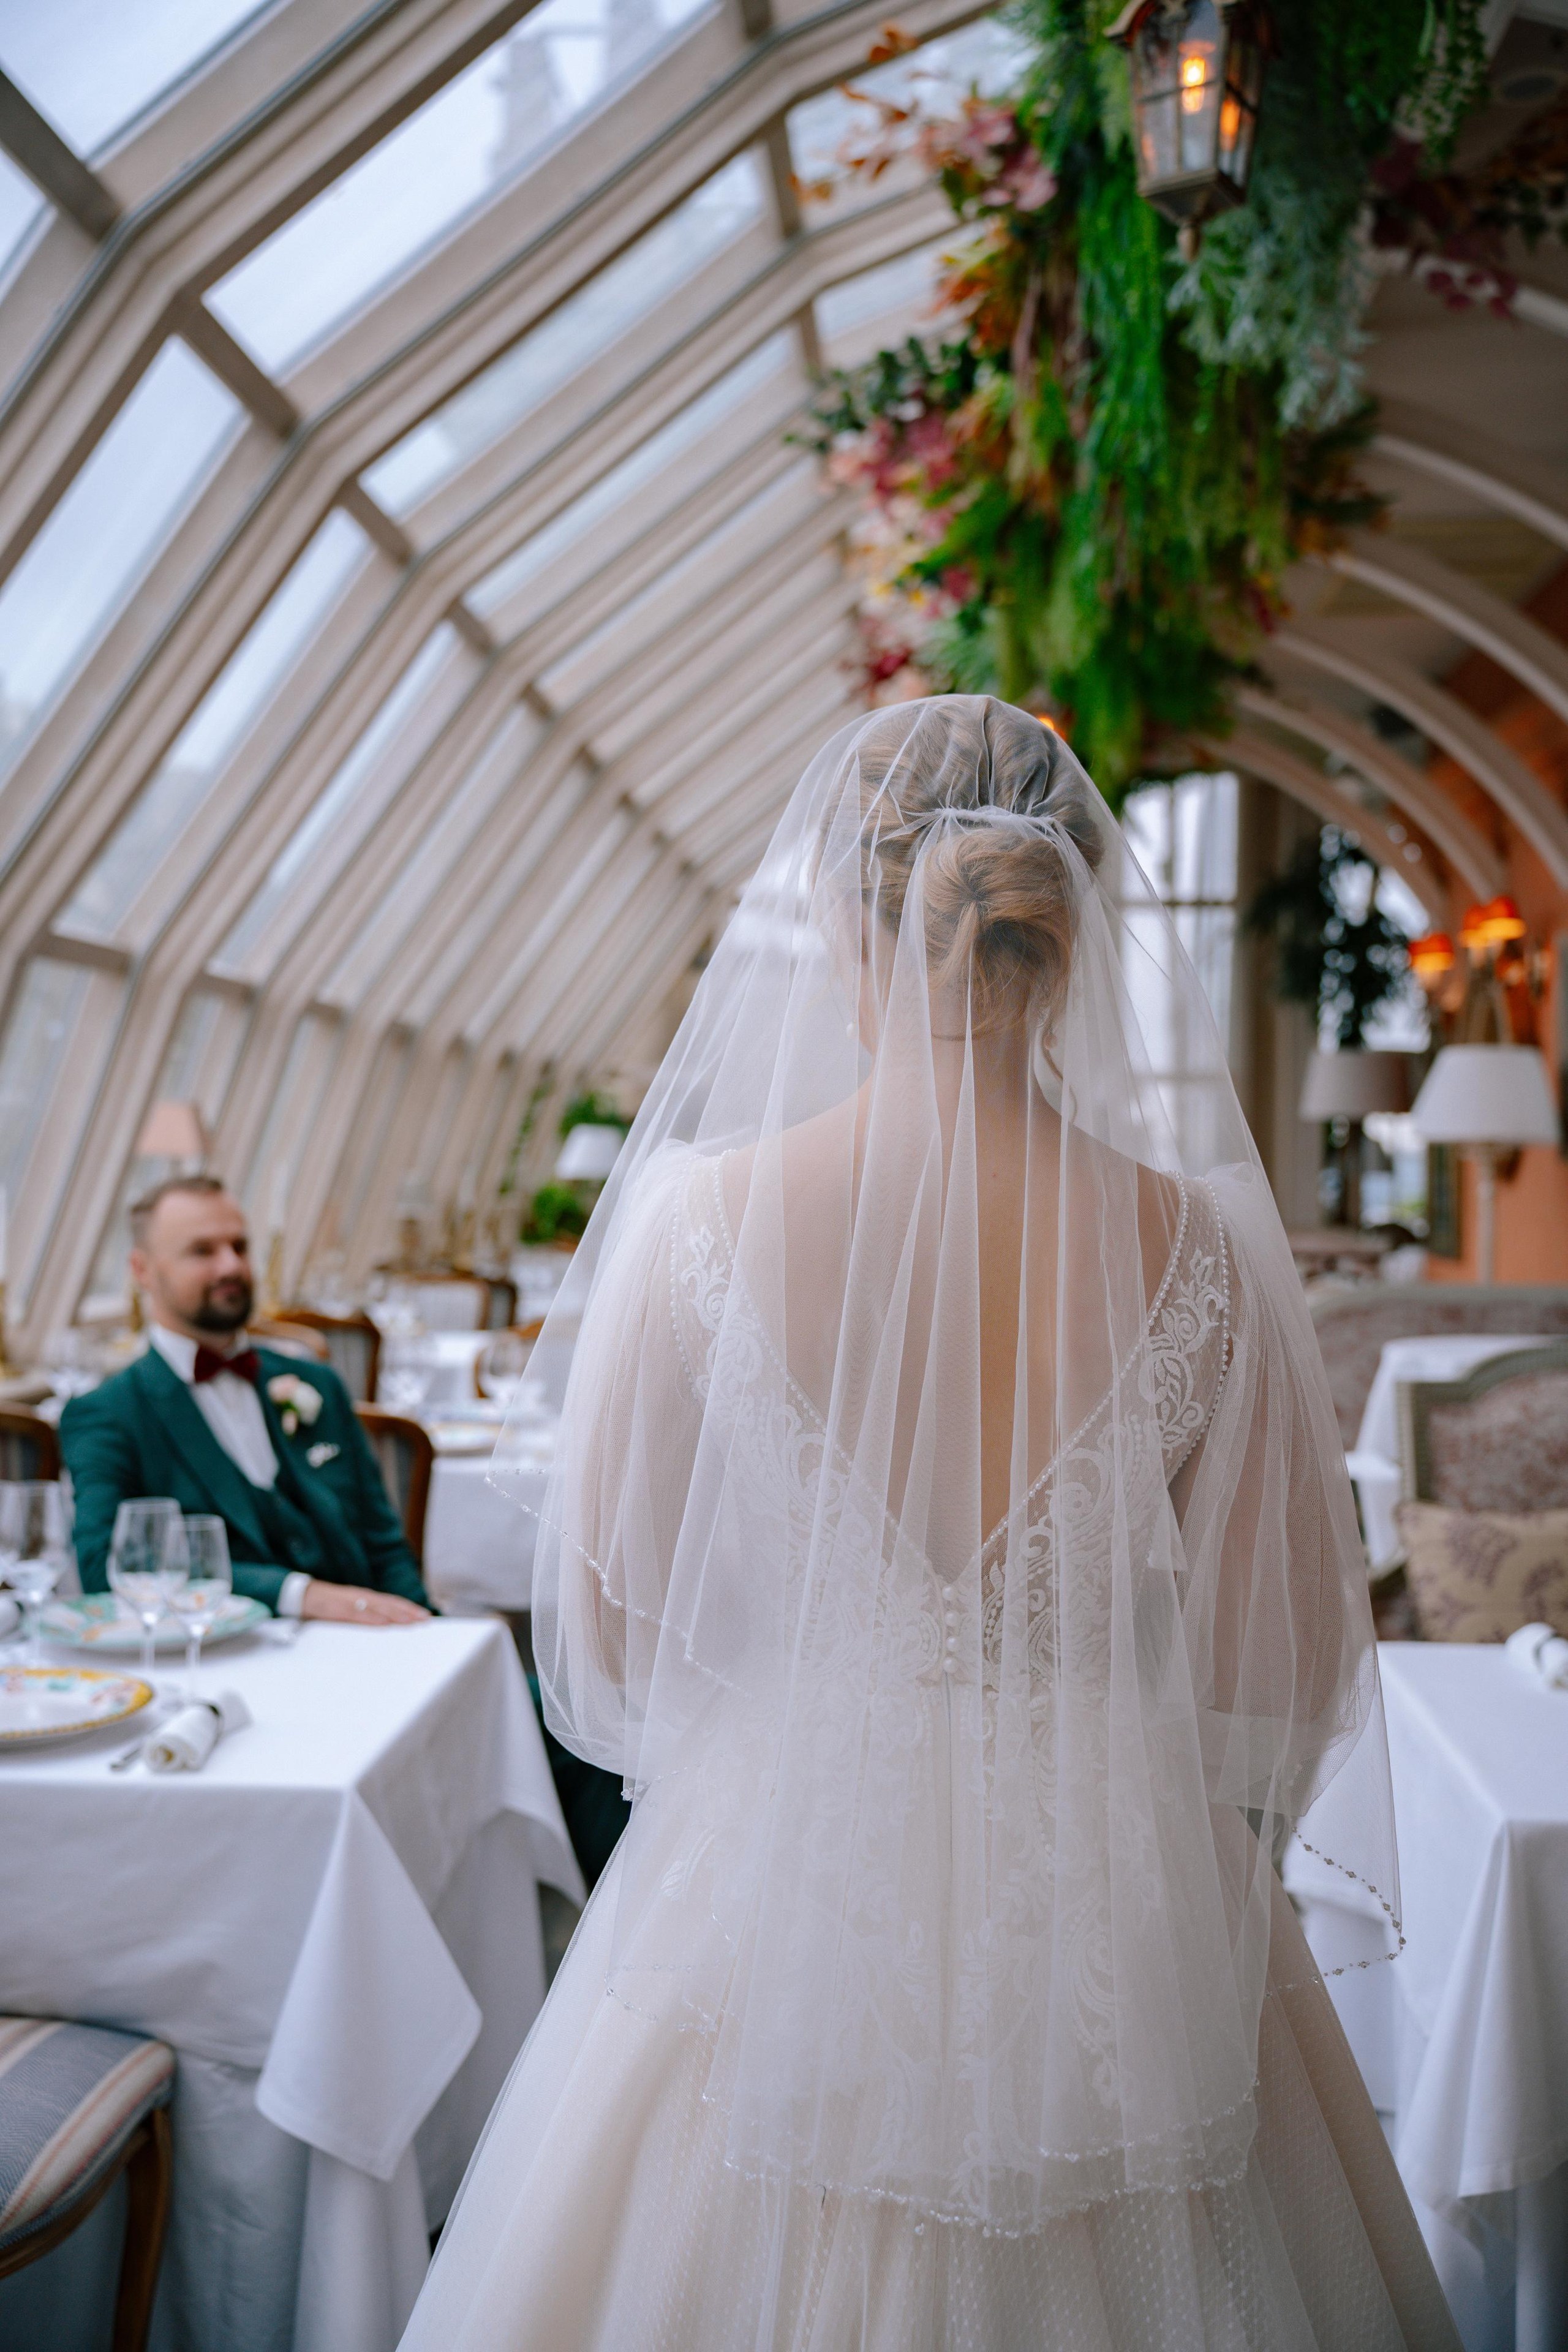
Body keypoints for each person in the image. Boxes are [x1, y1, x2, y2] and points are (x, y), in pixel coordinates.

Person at [401, 698, 1459, 2349]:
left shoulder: (691, 1224)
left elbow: (607, 1641)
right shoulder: (1209, 1251)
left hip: (781, 1865)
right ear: (1081, 929)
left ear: (837, 910)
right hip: (1122, 1897)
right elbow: (1276, 1674)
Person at [62, 1175, 431, 1623]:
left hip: (378, 1646)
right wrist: (298, 1595)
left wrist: (428, 1629)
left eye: (239, 1247)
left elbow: (384, 1544)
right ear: (142, 1271)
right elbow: (105, 1569)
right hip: (233, 1665)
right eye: (203, 1251)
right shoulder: (108, 1414)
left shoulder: (316, 1383)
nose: (230, 1267)